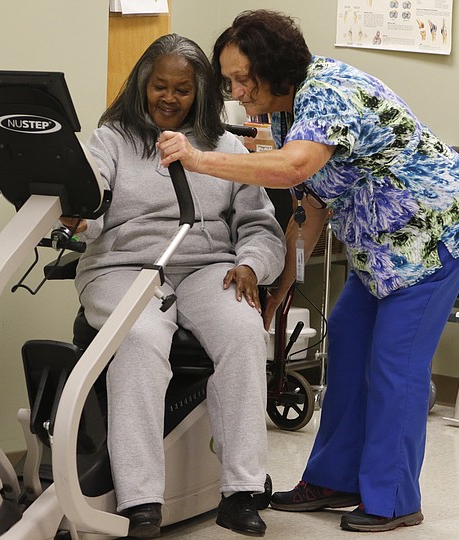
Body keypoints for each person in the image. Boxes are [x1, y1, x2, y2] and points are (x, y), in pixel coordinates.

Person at [157, 10, 459, 533]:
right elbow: (309, 200)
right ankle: (336, 479)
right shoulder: (287, 109)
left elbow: (292, 166)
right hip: (382, 243)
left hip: (438, 230)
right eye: (229, 81)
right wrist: (286, 281)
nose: (237, 91)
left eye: (243, 78)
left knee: (394, 361)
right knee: (344, 334)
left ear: (275, 69)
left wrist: (199, 159)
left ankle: (393, 498)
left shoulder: (329, 93)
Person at [62, 33, 285, 538]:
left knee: (244, 331)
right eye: (160, 86)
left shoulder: (226, 147)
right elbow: (92, 203)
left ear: (200, 92)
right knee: (138, 339)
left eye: (182, 89)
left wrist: (251, 265)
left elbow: (259, 226)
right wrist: (78, 216)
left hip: (209, 267)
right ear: (143, 85)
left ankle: (242, 491)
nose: (169, 98)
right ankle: (141, 502)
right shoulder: (112, 140)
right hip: (125, 267)